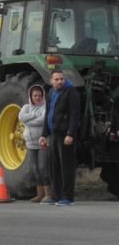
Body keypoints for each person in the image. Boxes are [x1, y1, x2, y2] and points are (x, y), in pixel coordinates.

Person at [39, 70, 80, 206]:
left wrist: (71, 134)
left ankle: (67, 197)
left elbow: (75, 115)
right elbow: (48, 114)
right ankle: (56, 196)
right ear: (51, 81)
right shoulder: (51, 92)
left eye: (61, 79)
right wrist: (44, 134)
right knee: (54, 166)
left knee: (66, 167)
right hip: (53, 135)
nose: (60, 81)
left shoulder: (71, 92)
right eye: (56, 79)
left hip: (65, 135)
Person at [18, 85, 51, 203]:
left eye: (40, 96)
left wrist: (29, 120)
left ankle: (48, 194)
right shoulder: (26, 107)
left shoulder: (45, 107)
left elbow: (43, 120)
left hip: (42, 142)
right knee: (35, 169)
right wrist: (34, 116)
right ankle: (40, 194)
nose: (37, 98)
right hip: (30, 143)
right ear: (30, 97)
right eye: (35, 96)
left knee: (43, 168)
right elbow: (21, 117)